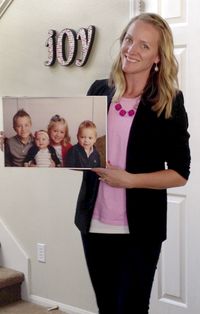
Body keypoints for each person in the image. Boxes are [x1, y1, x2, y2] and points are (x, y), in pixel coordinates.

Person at [74, 13, 191, 314]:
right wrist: (34, 150)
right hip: (94, 223)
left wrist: (130, 180)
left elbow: (179, 173)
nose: (131, 49)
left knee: (132, 308)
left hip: (140, 229)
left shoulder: (169, 101)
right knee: (107, 307)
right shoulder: (99, 90)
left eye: (144, 45)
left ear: (157, 58)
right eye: (128, 39)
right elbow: (83, 153)